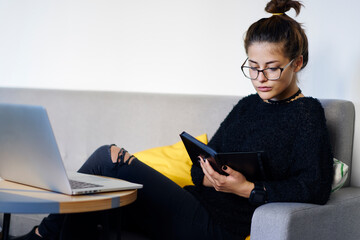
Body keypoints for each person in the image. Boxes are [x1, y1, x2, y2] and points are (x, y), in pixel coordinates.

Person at [14, 0, 334, 239]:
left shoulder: (307, 114)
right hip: (194, 204)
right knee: (97, 208)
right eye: (252, 66)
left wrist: (247, 188)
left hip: (220, 226)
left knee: (108, 158)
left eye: (272, 67)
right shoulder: (247, 106)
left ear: (298, 63)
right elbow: (201, 164)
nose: (260, 78)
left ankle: (40, 236)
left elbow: (315, 188)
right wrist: (209, 177)